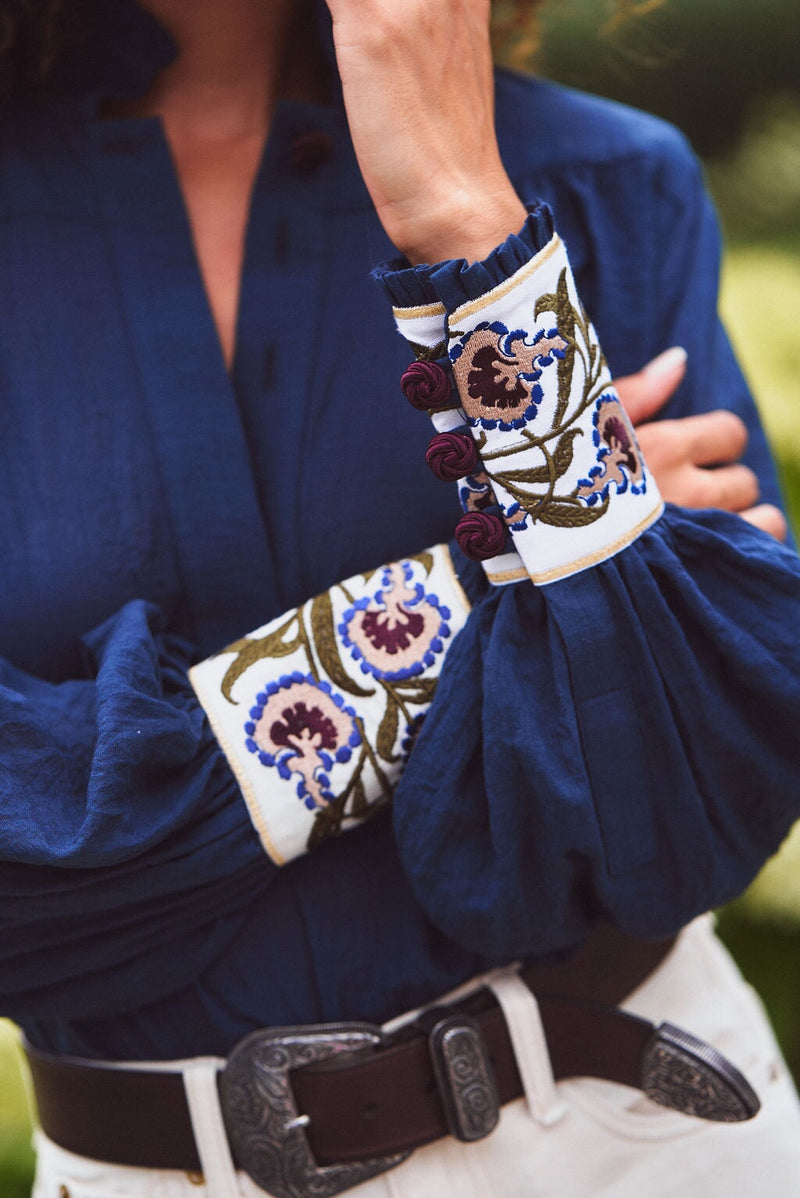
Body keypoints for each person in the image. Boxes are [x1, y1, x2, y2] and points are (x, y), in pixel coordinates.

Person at [1, 0, 799, 1194]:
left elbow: (681, 815)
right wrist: (477, 594)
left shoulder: (601, 175)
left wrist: (464, 214)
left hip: (645, 1136)